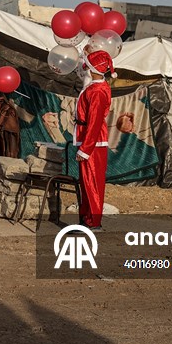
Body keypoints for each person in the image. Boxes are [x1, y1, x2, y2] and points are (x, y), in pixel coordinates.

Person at [74, 50, 113, 230]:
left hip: (93, 143)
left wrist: (85, 149)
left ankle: (92, 222)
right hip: (88, 139)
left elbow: (95, 122)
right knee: (87, 183)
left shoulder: (98, 91)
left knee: (92, 184)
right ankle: (87, 218)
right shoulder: (96, 86)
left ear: (92, 68)